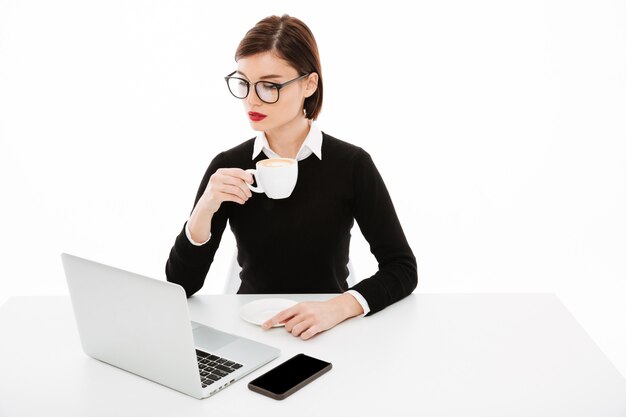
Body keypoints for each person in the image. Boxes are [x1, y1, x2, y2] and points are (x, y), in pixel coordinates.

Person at [166, 14, 417, 340]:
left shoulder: (351, 164)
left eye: (270, 85)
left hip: (329, 330)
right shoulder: (230, 164)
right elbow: (181, 285)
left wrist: (340, 306)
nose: (252, 99)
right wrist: (205, 207)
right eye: (244, 83)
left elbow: (402, 268)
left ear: (309, 84)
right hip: (249, 330)